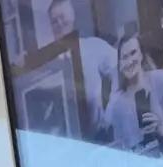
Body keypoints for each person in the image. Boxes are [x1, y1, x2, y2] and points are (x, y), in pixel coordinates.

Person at [105, 24, 163, 156]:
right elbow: (120, 147)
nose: (129, 61)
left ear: (141, 55)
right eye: (124, 57)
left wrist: (162, 129)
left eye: (133, 53)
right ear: (119, 64)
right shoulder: (118, 104)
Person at [46, 0, 116, 138]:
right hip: (69, 139)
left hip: (100, 133)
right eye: (54, 21)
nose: (59, 24)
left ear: (72, 17)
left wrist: (112, 107)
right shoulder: (49, 63)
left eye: (62, 17)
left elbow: (119, 69)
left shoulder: (93, 46)